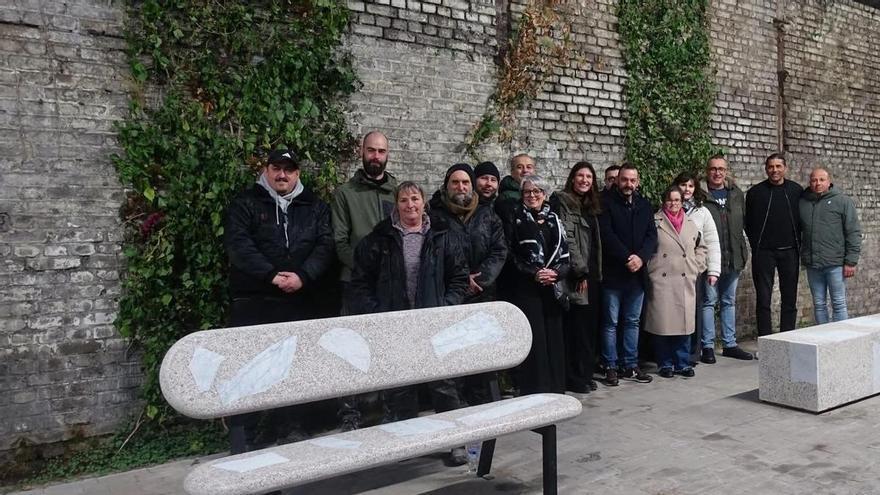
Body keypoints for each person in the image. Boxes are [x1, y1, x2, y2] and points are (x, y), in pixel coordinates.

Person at [347, 181, 470, 464]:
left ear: (424, 202)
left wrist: (445, 307)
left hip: (433, 323)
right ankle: (408, 443)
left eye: (415, 199)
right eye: (404, 200)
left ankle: (455, 442)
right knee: (401, 386)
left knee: (443, 383)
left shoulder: (442, 236)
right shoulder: (380, 238)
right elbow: (360, 282)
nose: (410, 205)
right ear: (396, 204)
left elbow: (459, 278)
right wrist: (378, 313)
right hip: (396, 323)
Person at [223, 148, 335, 454]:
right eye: (276, 168)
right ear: (267, 170)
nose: (282, 175)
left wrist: (303, 276)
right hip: (254, 299)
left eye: (288, 169)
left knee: (293, 367)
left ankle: (292, 426)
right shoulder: (245, 203)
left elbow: (325, 246)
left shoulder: (315, 206)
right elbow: (239, 246)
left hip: (300, 299)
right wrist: (272, 275)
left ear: (297, 173)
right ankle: (245, 432)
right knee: (249, 368)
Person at [330, 130, 398, 430]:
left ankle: (388, 409)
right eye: (371, 150)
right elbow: (340, 241)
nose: (376, 157)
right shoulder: (346, 193)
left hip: (390, 284)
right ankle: (350, 413)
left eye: (381, 151)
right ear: (362, 152)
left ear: (387, 155)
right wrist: (363, 271)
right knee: (351, 350)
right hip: (355, 284)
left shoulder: (397, 191)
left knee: (387, 348)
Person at [429, 163, 508, 406]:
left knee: (481, 361)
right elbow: (431, 255)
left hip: (482, 297)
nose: (461, 187)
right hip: (450, 298)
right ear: (447, 185)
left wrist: (480, 279)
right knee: (452, 361)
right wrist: (461, 282)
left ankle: (483, 413)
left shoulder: (487, 214)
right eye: (455, 182)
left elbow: (499, 250)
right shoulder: (434, 215)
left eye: (465, 182)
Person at [507, 175, 570, 394]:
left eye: (537, 191)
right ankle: (535, 389)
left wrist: (556, 273)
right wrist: (534, 273)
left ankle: (556, 388)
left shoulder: (555, 219)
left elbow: (565, 256)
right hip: (527, 288)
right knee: (535, 340)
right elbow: (511, 255)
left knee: (553, 338)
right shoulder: (516, 218)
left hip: (552, 288)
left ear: (544, 194)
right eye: (527, 192)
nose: (532, 195)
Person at [598, 163, 657, 386]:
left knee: (632, 322)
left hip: (637, 275)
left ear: (637, 182)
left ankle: (630, 364)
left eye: (632, 181)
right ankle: (610, 366)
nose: (628, 185)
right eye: (624, 180)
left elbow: (652, 235)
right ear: (617, 180)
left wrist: (641, 258)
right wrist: (627, 258)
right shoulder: (605, 203)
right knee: (611, 322)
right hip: (614, 273)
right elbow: (607, 235)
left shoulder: (644, 205)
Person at [644, 185, 707, 378]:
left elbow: (701, 247)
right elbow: (645, 247)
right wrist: (652, 269)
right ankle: (665, 364)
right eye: (670, 200)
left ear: (682, 202)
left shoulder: (690, 223)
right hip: (662, 279)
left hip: (684, 278)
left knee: (684, 325)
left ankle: (682, 362)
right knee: (663, 325)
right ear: (664, 201)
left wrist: (696, 266)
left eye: (677, 200)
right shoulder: (655, 221)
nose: (674, 204)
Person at [551, 162, 602, 395]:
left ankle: (586, 374)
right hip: (576, 274)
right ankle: (574, 377)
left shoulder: (591, 205)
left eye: (588, 177)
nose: (584, 180)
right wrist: (580, 270)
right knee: (576, 329)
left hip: (593, 273)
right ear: (572, 178)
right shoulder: (563, 201)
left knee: (589, 328)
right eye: (580, 176)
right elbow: (567, 237)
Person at [700, 155, 753, 362]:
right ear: (707, 171)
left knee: (729, 301)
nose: (717, 172)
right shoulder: (701, 195)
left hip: (733, 258)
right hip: (710, 260)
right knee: (709, 302)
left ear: (726, 170)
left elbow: (744, 223)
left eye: (721, 168)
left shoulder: (736, 194)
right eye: (713, 168)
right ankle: (707, 346)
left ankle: (730, 343)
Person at [745, 153, 802, 336]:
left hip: (790, 252)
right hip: (764, 253)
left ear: (785, 168)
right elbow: (748, 222)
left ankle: (788, 337)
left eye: (778, 166)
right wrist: (756, 244)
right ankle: (766, 340)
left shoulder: (796, 191)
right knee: (763, 300)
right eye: (771, 167)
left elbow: (802, 220)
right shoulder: (755, 192)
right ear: (766, 169)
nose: (774, 170)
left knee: (789, 300)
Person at [799, 167, 861, 324]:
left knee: (839, 304)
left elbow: (853, 232)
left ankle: (841, 340)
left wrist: (851, 261)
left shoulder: (842, 201)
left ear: (829, 181)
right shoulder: (803, 202)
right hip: (813, 264)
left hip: (835, 264)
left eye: (821, 180)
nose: (817, 183)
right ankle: (823, 341)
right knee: (819, 305)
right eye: (814, 180)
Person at [673, 171, 721, 364]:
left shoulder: (702, 212)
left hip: (694, 269)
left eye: (691, 186)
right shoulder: (671, 207)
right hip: (674, 269)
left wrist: (713, 270)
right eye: (683, 185)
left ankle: (696, 350)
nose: (687, 189)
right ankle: (677, 353)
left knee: (695, 310)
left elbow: (712, 241)